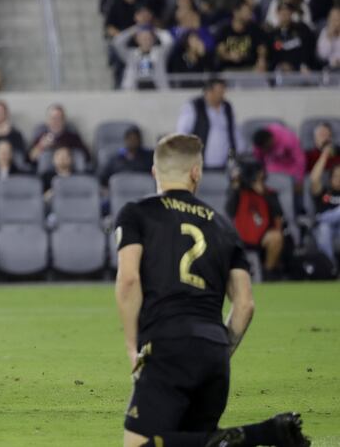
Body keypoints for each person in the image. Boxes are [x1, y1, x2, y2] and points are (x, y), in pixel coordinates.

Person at [115, 133, 309, 447]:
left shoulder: (137, 213)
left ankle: (248, 437)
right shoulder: (223, 226)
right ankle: (256, 435)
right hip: (214, 352)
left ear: (155, 172)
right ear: (196, 172)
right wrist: (219, 349)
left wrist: (131, 347)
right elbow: (245, 304)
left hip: (166, 345)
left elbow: (128, 280)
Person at [226, 159, 285, 276]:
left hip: (262, 236)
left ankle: (268, 273)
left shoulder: (270, 194)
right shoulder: (238, 192)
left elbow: (279, 216)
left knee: (276, 237)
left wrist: (263, 193)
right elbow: (229, 211)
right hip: (240, 236)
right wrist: (235, 185)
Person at [176, 79, 244, 169]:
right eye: (219, 92)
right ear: (209, 92)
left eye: (223, 91)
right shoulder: (194, 106)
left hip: (226, 161)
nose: (223, 95)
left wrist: (240, 149)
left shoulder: (227, 107)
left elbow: (234, 130)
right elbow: (182, 131)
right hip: (201, 160)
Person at [112, 25, 173, 90]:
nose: (146, 40)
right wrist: (132, 30)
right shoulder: (131, 54)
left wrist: (155, 30)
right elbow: (117, 42)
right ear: (137, 39)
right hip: (133, 90)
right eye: (143, 38)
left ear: (153, 39)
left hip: (157, 90)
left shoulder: (159, 53)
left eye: (148, 38)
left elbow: (169, 41)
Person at [214, 0, 268, 72]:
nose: (249, 14)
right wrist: (229, 56)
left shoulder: (254, 29)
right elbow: (220, 50)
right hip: (229, 68)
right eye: (246, 11)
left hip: (250, 68)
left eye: (249, 12)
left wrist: (261, 59)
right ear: (236, 13)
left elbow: (261, 47)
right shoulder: (225, 30)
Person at [309, 148, 340, 272]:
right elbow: (314, 179)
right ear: (330, 178)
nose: (339, 179)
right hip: (325, 227)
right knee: (324, 228)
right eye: (336, 176)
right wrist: (325, 154)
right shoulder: (324, 192)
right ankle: (330, 267)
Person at [266, 2, 315, 73]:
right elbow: (272, 56)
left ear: (291, 13)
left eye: (287, 11)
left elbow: (308, 50)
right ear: (277, 13)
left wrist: (297, 65)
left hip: (300, 68)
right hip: (280, 70)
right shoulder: (272, 34)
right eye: (282, 11)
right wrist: (282, 65)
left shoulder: (302, 29)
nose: (284, 14)